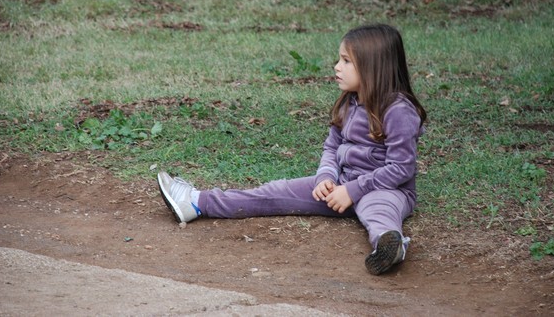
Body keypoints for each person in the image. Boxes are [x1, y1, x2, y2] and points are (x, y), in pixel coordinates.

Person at [157, 23, 426, 275]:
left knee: (378, 213)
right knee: (274, 192)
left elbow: (401, 168)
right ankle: (196, 202)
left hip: (386, 190)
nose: (336, 67)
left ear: (372, 67)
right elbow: (332, 146)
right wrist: (326, 178)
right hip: (339, 185)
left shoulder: (399, 111)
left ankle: (390, 246)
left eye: (346, 61)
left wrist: (353, 191)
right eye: (339, 59)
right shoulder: (349, 101)